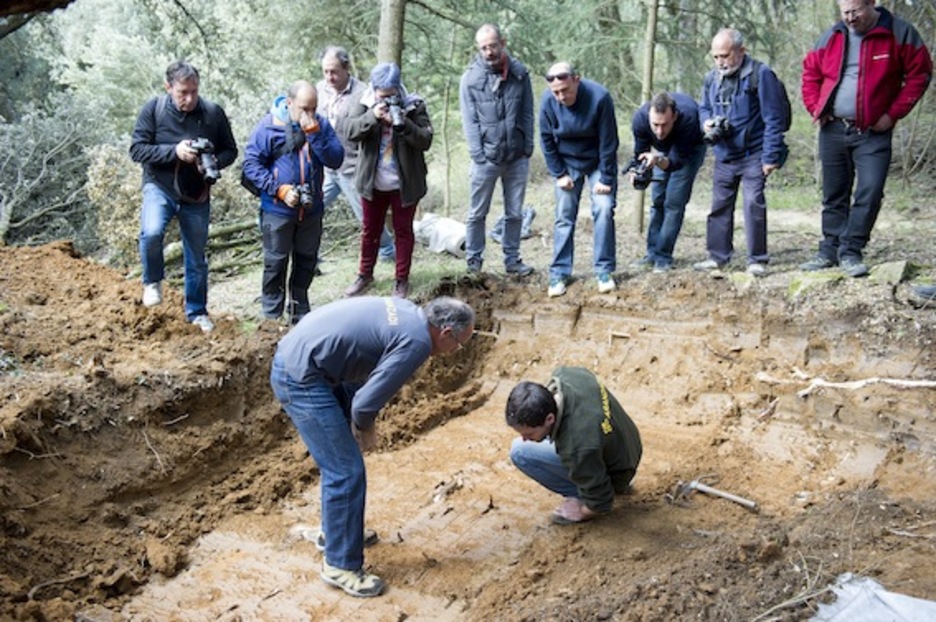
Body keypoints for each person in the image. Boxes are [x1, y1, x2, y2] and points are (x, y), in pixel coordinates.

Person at [270, 296, 475, 597]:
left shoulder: (409, 314)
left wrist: (356, 422)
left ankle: (336, 534)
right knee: (346, 471)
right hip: (300, 377)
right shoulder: (417, 342)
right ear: (445, 332)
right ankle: (340, 566)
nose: (455, 350)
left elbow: (363, 382)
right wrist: (365, 430)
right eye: (458, 343)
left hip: (308, 361)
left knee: (340, 464)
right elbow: (365, 405)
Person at [800, 0, 932, 278]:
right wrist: (816, 107)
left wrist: (893, 113)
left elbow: (920, 73)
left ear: (872, 3)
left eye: (855, 11)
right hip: (833, 129)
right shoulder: (832, 35)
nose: (849, 18)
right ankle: (829, 250)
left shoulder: (899, 32)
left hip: (873, 132)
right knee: (833, 193)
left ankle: (851, 250)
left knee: (870, 191)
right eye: (844, 11)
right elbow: (810, 74)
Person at [129, 60, 238, 332]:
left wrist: (211, 160)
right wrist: (174, 152)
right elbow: (137, 150)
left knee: (197, 256)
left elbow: (231, 150)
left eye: (194, 91)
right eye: (182, 93)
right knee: (152, 232)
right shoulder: (153, 110)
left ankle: (197, 312)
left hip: (196, 193)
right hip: (159, 185)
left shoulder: (212, 113)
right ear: (168, 87)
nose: (189, 98)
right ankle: (152, 281)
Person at [242, 81, 344, 323]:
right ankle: (271, 315)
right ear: (289, 104)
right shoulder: (268, 128)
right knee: (275, 262)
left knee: (307, 260)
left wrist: (314, 134)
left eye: (313, 108)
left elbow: (336, 159)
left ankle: (299, 310)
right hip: (277, 210)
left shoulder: (321, 125)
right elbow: (250, 166)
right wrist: (279, 190)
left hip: (311, 209)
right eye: (303, 108)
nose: (309, 114)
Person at [694, 29, 789, 277]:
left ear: (741, 51)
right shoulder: (711, 78)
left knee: (752, 204)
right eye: (715, 57)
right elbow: (703, 107)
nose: (720, 62)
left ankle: (757, 259)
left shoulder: (761, 75)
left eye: (724, 56)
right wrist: (706, 123)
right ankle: (718, 256)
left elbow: (774, 118)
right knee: (719, 206)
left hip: (754, 153)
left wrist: (770, 156)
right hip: (724, 153)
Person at [505, 366, 642, 525]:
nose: (524, 439)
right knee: (581, 447)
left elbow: (602, 504)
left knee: (520, 452)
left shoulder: (576, 446)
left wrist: (583, 512)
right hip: (627, 444)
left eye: (529, 434)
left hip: (619, 470)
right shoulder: (566, 375)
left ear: (549, 418)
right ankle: (605, 474)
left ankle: (584, 494)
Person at [344, 62, 433, 300]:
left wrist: (405, 124)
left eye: (392, 96)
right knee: (369, 231)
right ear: (374, 90)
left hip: (405, 182)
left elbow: (425, 140)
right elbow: (349, 132)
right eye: (383, 97)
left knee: (403, 232)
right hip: (372, 182)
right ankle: (365, 274)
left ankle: (401, 279)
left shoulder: (414, 104)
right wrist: (372, 117)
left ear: (398, 89)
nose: (387, 101)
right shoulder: (362, 102)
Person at [460, 23, 535, 277]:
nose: (488, 52)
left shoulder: (520, 73)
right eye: (483, 48)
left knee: (514, 212)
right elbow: (469, 121)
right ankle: (474, 263)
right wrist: (478, 154)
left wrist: (527, 147)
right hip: (485, 159)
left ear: (502, 43)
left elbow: (527, 112)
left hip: (516, 157)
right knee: (476, 213)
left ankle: (512, 261)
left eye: (492, 45)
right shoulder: (470, 79)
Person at [539, 62, 619, 297]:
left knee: (604, 209)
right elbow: (546, 142)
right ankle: (559, 273)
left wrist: (606, 178)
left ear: (577, 79)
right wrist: (560, 174)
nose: (561, 96)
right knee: (564, 215)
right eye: (556, 92)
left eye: (566, 90)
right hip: (567, 162)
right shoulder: (547, 102)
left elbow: (609, 142)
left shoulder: (599, 97)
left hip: (597, 162)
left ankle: (604, 270)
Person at [317, 46, 395, 262]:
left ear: (346, 68)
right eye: (325, 72)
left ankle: (387, 251)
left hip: (352, 166)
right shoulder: (319, 90)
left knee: (366, 218)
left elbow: (365, 129)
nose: (329, 77)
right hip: (325, 168)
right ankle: (310, 255)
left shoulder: (362, 92)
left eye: (333, 72)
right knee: (312, 210)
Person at [626, 92, 706, 273]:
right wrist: (637, 170)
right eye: (655, 125)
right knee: (658, 200)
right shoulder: (640, 119)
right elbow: (640, 153)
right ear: (648, 118)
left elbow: (676, 163)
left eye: (664, 125)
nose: (659, 131)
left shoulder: (688, 118)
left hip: (689, 151)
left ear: (675, 116)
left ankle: (663, 256)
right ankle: (652, 253)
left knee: (674, 203)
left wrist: (658, 160)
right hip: (661, 152)